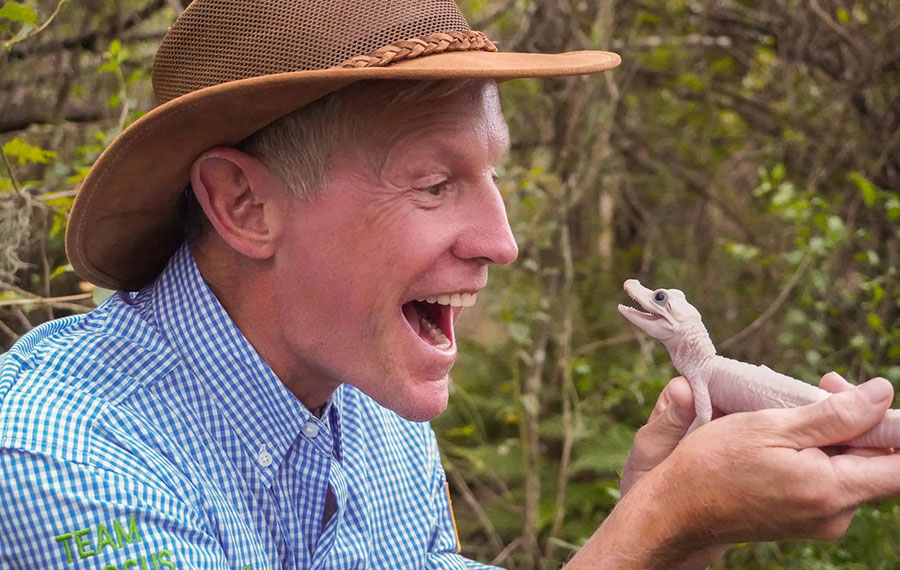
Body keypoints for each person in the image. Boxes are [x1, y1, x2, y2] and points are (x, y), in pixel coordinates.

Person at [2, 0, 899, 568]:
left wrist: (673, 530)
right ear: (244, 203)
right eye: (435, 185)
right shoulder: (58, 456)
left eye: (493, 175)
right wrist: (663, 519)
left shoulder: (378, 413)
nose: (502, 242)